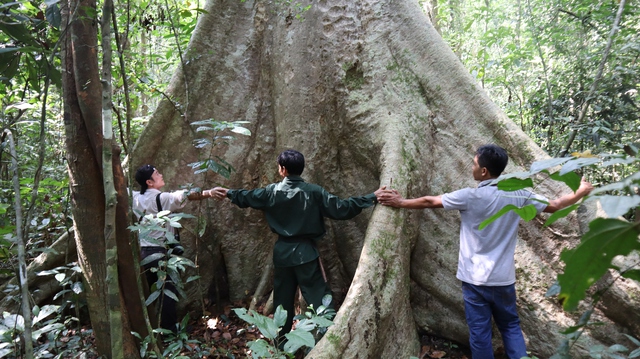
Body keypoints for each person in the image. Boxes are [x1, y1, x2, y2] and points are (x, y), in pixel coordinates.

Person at [376, 144, 593, 359]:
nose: (471, 167)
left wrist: (400, 202)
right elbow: (554, 205)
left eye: (473, 163)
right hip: (503, 280)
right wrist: (581, 191)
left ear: (483, 171)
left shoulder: (469, 196)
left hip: (474, 281)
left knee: (480, 334)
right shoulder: (519, 194)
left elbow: (429, 201)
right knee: (510, 326)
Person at [212, 149, 385, 339]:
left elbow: (249, 197)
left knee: (282, 303)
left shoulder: (272, 192)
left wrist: (229, 193)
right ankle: (330, 340)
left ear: (283, 169)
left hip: (283, 254)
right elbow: (342, 209)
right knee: (319, 300)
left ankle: (281, 343)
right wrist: (372, 197)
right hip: (306, 253)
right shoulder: (314, 192)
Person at [132, 164, 221, 332]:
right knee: (166, 292)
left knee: (149, 292)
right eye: (157, 174)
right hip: (159, 253)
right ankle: (170, 331)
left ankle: (147, 329)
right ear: (149, 182)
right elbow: (185, 195)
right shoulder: (162, 198)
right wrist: (209, 193)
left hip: (143, 253)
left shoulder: (135, 197)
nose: (161, 174)